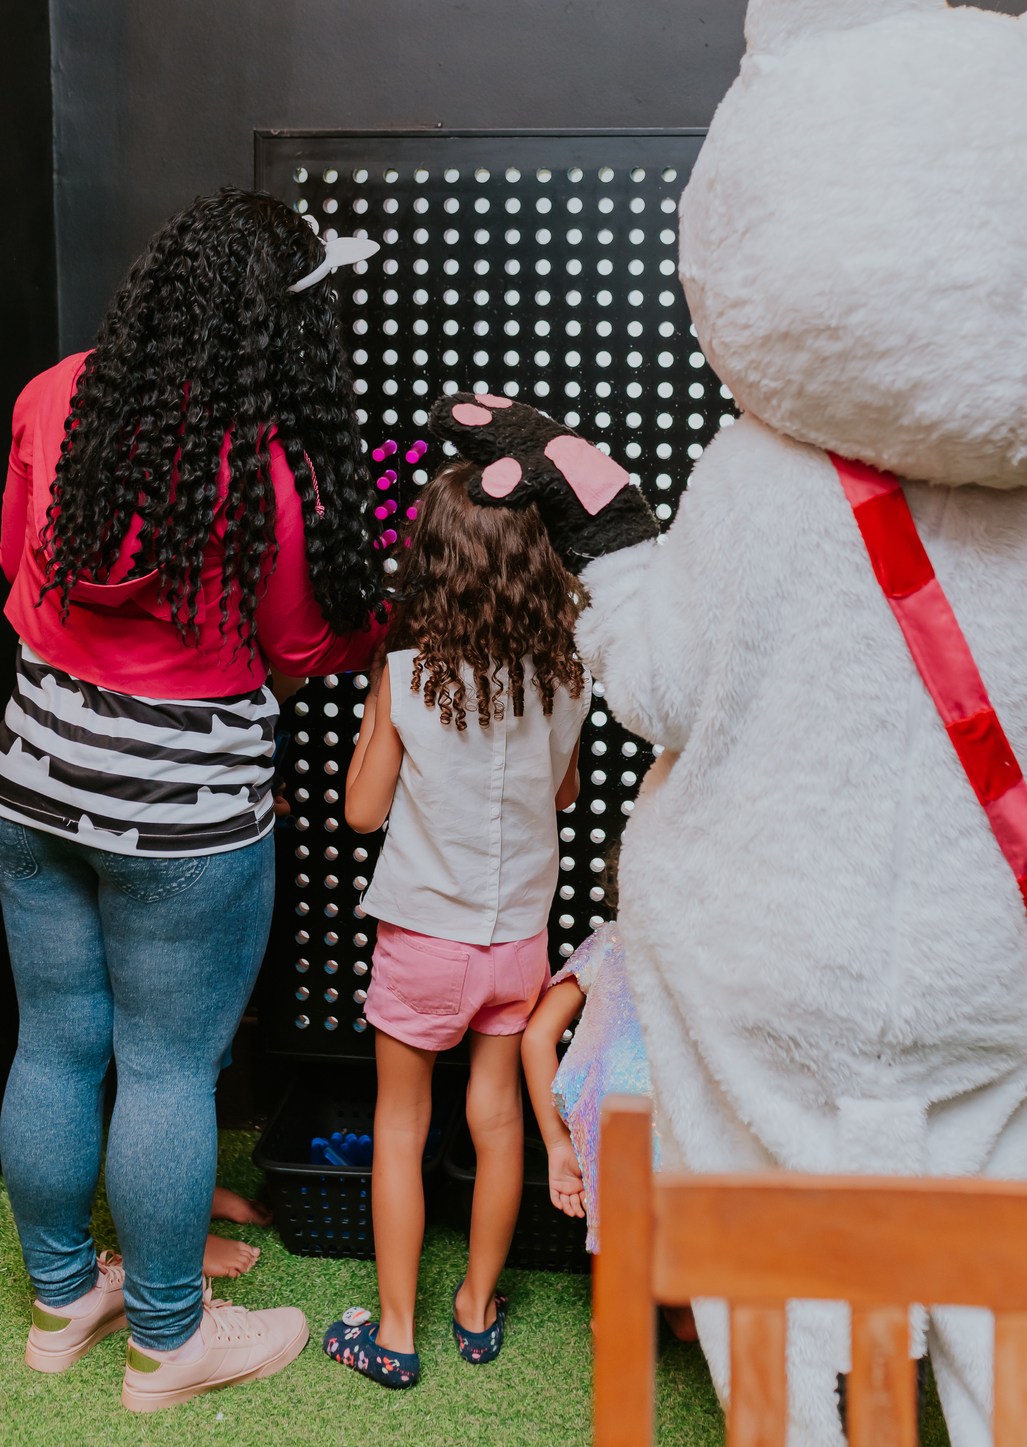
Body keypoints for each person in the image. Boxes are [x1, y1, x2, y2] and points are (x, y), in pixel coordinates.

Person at [0, 188, 386, 1413]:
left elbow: (17, 563)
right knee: (165, 1071)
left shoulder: (55, 395)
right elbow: (305, 646)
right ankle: (169, 1342)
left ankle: (64, 1301)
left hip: (30, 782)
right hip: (182, 824)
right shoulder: (268, 469)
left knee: (53, 1041)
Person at [329, 462, 588, 1387]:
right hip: (516, 943)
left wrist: (377, 712)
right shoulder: (565, 676)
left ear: (433, 559)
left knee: (401, 1127)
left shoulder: (406, 675)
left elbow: (362, 812)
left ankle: (395, 1336)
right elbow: (562, 794)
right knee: (500, 1120)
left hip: (423, 943)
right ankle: (477, 1310)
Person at [520, 844, 696, 1342]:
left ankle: (637, 1301)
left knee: (645, 1306)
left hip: (618, 1139)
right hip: (674, 1145)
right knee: (682, 1320)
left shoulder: (611, 941)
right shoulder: (718, 960)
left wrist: (557, 1143)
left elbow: (536, 1039)